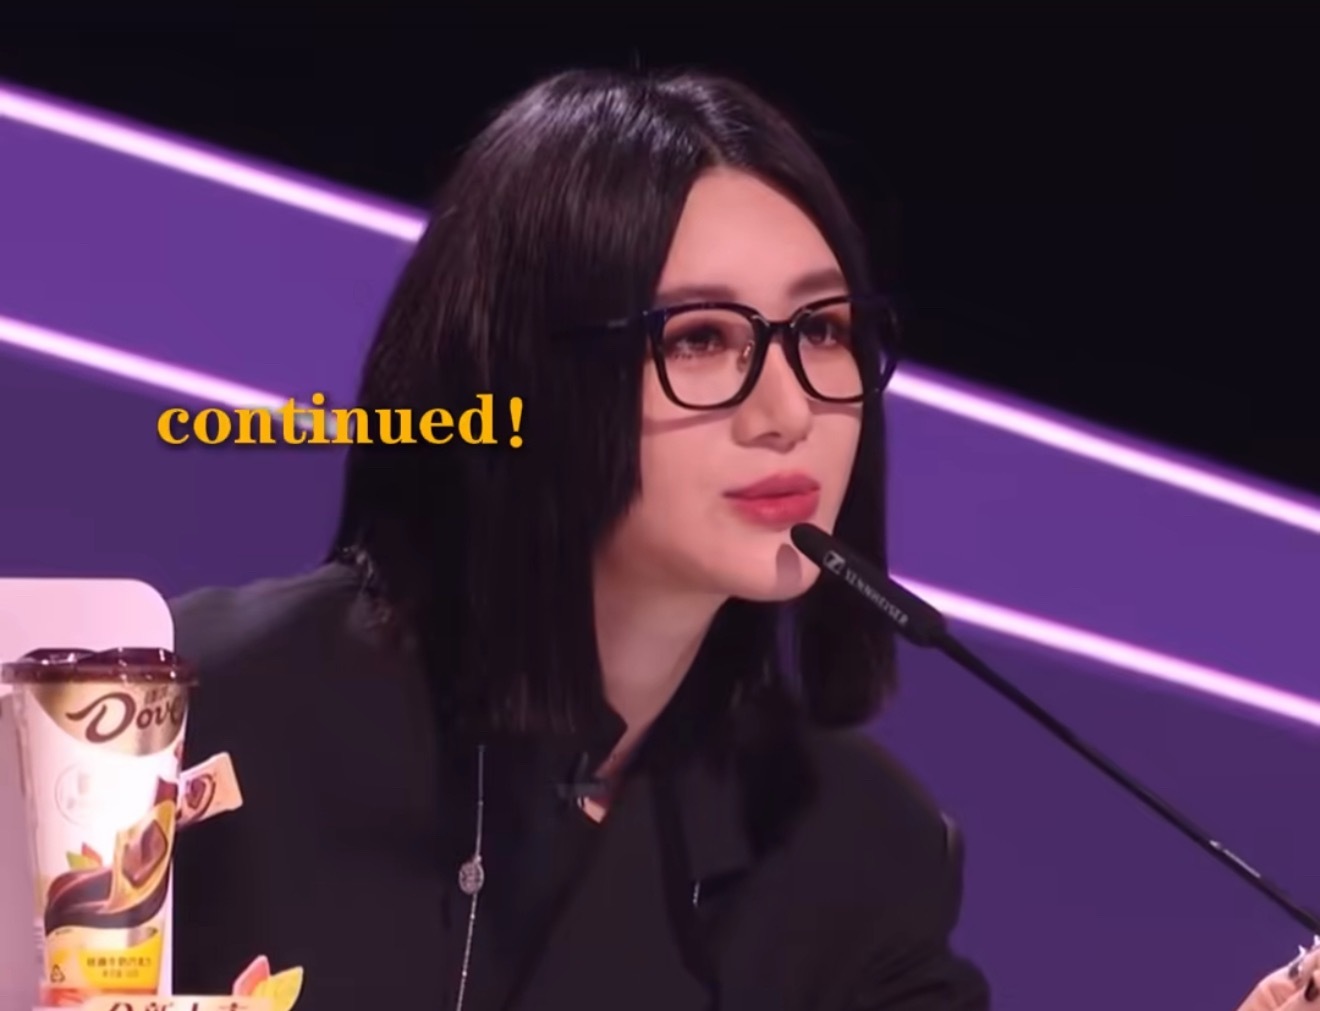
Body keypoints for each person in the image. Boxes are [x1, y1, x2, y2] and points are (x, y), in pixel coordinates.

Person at [169, 67, 990, 1010]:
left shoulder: (861, 850)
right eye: (699, 338)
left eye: (822, 329)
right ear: (523, 372)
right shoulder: (187, 711)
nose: (790, 410)